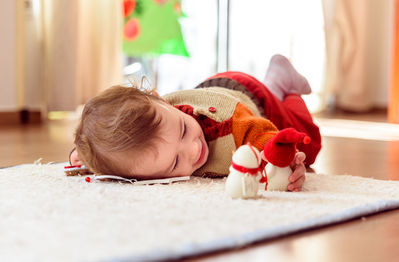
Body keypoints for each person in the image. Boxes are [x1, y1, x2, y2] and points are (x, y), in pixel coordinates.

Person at [70, 55, 321, 192]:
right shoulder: (145, 142)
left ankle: (281, 84)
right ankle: (275, 82)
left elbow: (259, 133)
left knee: (306, 143)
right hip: (215, 85)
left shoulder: (227, 124)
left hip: (248, 96)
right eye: (175, 162)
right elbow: (112, 149)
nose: (193, 149)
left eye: (183, 130)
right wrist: (85, 154)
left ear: (163, 101)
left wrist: (283, 158)